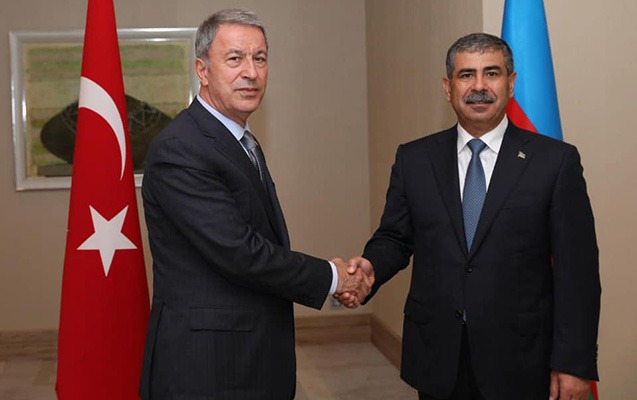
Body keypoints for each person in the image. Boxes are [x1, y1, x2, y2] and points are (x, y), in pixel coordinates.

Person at [340, 33, 600, 400]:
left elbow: (578, 273)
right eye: (466, 75)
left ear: (511, 83)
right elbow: (395, 238)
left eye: (491, 73)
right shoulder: (415, 160)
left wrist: (574, 362)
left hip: (522, 359)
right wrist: (370, 267)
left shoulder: (555, 162)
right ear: (448, 87)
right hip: (439, 354)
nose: (479, 86)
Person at [138, 8, 371, 400]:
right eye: (235, 59)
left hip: (248, 353)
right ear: (202, 70)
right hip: (208, 365)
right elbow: (238, 251)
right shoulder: (181, 148)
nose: (251, 72)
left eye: (259, 58)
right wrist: (332, 278)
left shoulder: (240, 140)